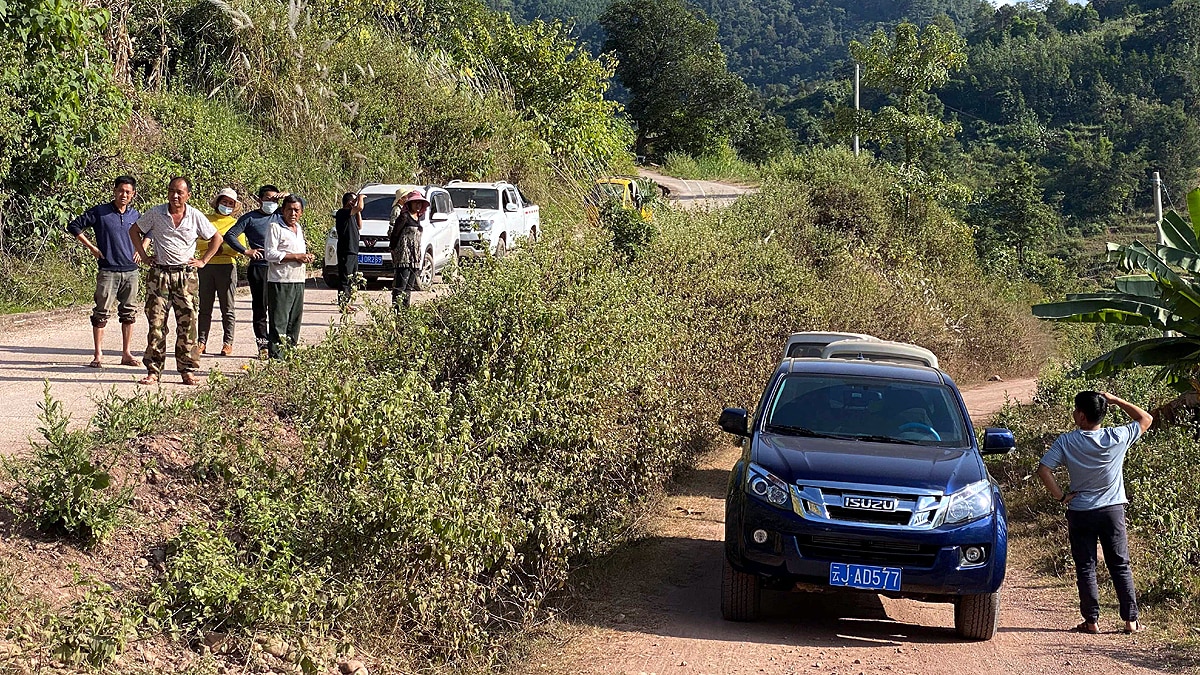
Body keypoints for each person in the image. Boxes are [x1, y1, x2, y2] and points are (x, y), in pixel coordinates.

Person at [1037, 390, 1153, 635]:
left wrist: (1061, 496)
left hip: (1081, 511)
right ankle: (1131, 621)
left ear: (1081, 416)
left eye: (1075, 409)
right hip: (1112, 511)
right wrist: (1117, 400)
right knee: (1120, 564)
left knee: (1086, 567)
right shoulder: (1118, 436)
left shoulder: (1067, 442)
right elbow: (1146, 419)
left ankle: (1091, 621)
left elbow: (1044, 470)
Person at [128, 177, 222, 386]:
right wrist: (143, 256)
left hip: (185, 276)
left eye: (180, 192)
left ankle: (187, 369)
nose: (175, 196)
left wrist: (203, 261)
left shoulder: (195, 215)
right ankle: (153, 370)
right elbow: (134, 230)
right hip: (159, 275)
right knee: (156, 324)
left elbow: (217, 238)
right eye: (172, 191)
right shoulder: (156, 213)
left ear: (188, 194)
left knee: (188, 324)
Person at [67, 175, 142, 368]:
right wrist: (92, 247)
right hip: (108, 270)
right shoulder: (101, 212)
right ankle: (98, 354)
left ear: (133, 194)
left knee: (129, 313)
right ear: (114, 191)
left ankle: (126, 353)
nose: (123, 195)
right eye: (120, 190)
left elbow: (151, 230)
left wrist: (142, 250)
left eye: (127, 192)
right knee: (101, 313)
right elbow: (74, 225)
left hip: (131, 271)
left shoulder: (136, 216)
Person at [223, 185, 282, 359]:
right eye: (267, 199)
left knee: (278, 307)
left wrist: (286, 196)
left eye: (274, 199)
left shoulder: (280, 216)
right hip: (259, 268)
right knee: (260, 307)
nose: (271, 202)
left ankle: (278, 344)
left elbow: (299, 204)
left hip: (279, 268)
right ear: (259, 200)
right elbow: (230, 235)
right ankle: (262, 344)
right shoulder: (250, 218)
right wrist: (245, 251)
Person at [196, 187, 246, 357]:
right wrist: (216, 247)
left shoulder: (236, 223)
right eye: (224, 202)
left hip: (227, 267)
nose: (227, 205)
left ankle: (227, 342)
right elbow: (198, 243)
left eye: (230, 203)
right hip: (206, 267)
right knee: (204, 306)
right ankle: (201, 341)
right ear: (217, 202)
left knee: (228, 307)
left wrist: (217, 247)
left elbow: (239, 247)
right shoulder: (205, 219)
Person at [263, 194, 313, 358]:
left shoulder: (298, 228)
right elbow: (270, 254)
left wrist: (305, 257)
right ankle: (277, 360)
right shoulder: (275, 227)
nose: (293, 213)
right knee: (279, 323)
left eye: (296, 210)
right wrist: (295, 256)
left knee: (294, 322)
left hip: (298, 280)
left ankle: (290, 358)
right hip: (280, 281)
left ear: (301, 212)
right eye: (289, 209)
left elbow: (298, 252)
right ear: (283, 210)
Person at [389, 189, 427, 309]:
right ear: (409, 203)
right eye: (415, 202)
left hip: (414, 257)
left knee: (409, 287)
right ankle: (397, 312)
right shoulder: (404, 217)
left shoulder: (418, 218)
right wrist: (394, 251)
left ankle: (406, 312)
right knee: (400, 287)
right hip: (403, 257)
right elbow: (394, 235)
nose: (418, 205)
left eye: (420, 203)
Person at [334, 191, 365, 311]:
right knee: (345, 279)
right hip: (345, 250)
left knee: (352, 278)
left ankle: (347, 302)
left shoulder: (351, 215)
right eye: (354, 201)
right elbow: (360, 206)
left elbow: (359, 225)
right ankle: (343, 304)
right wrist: (360, 198)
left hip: (353, 250)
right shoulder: (342, 213)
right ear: (349, 202)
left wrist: (358, 212)